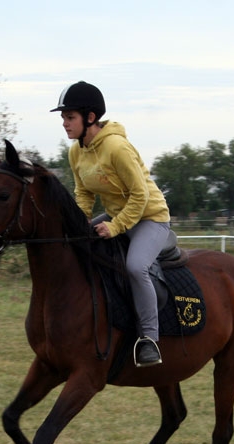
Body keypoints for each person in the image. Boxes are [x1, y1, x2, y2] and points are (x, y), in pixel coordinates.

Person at [51, 81, 173, 367]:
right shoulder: (76, 152)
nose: (65, 124)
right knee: (75, 245)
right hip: (117, 215)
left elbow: (140, 195)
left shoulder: (117, 147)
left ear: (90, 117)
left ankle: (149, 340)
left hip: (150, 218)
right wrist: (77, 224)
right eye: (63, 118)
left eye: (70, 117)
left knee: (135, 267)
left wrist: (116, 227)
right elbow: (83, 193)